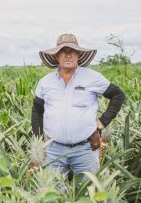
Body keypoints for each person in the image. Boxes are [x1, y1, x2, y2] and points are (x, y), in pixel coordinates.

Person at [31, 33, 125, 177]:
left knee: (88, 193)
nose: (68, 55)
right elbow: (37, 111)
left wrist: (102, 122)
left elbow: (118, 95)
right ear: (56, 56)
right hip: (53, 150)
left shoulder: (92, 77)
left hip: (85, 149)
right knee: (52, 195)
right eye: (63, 51)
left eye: (72, 51)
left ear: (79, 55)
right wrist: (38, 143)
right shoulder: (45, 82)